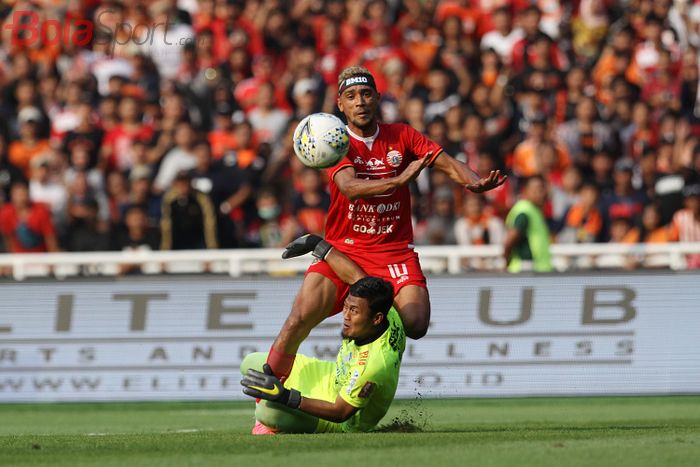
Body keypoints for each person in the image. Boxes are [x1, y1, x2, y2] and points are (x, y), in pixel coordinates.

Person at [265, 66, 505, 384]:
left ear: (377, 98)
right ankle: (266, 399)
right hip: (344, 252)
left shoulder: (402, 135)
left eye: (365, 94)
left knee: (416, 323)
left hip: (394, 253)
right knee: (298, 319)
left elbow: (444, 161)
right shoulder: (334, 141)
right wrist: (399, 179)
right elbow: (349, 186)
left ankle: (356, 362)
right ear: (340, 104)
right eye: (351, 96)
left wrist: (473, 182)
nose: (360, 102)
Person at [240, 271, 405, 434]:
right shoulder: (386, 310)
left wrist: (286, 397)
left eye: (353, 311)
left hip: (341, 417)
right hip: (331, 376)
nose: (345, 316)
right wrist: (321, 248)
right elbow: (355, 275)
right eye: (345, 306)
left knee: (267, 413)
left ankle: (272, 421)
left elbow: (341, 412)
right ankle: (273, 419)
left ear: (376, 319)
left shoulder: (373, 365)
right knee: (251, 362)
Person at [504, 175, 553, 272]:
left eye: (542, 189)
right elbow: (510, 240)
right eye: (537, 190)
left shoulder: (534, 210)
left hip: (537, 270)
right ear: (525, 191)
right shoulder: (524, 211)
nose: (541, 194)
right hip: (527, 270)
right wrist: (506, 261)